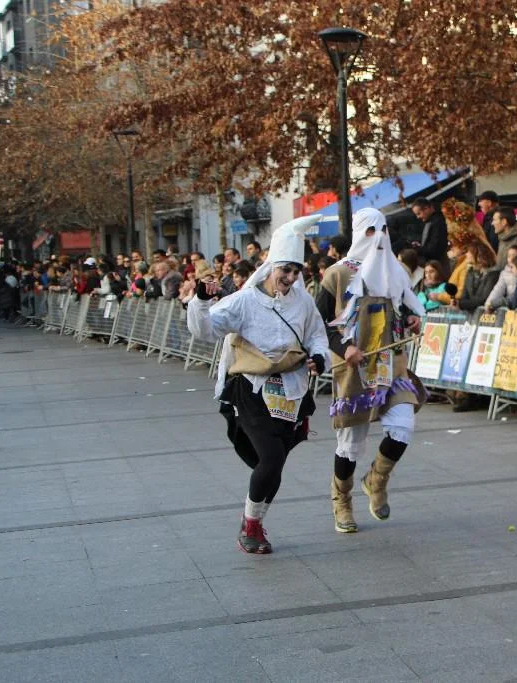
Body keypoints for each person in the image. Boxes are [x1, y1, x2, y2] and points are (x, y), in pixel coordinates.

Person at [187, 216, 329, 554]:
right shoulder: (245, 300)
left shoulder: (303, 301)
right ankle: (250, 527)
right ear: (271, 267)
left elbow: (317, 335)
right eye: (285, 270)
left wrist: (319, 357)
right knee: (271, 457)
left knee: (275, 463)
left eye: (296, 271)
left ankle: (254, 522)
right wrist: (201, 301)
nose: (290, 278)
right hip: (251, 388)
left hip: (291, 389)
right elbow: (204, 331)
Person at [317, 207, 425, 534]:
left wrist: (411, 319)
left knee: (403, 426)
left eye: (383, 229)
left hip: (392, 366)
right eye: (369, 230)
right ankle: (341, 499)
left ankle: (376, 480)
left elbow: (403, 309)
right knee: (350, 444)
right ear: (358, 233)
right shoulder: (337, 274)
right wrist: (344, 348)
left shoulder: (396, 271)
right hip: (354, 369)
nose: (378, 237)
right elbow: (319, 323)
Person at [411, 198, 448, 266]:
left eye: (419, 213)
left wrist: (417, 249)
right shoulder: (430, 221)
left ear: (426, 208)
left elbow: (434, 249)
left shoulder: (438, 222)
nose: (418, 217)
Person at [485, 246, 517, 312]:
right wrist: (489, 303)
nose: (511, 258)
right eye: (509, 256)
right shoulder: (504, 273)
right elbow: (498, 289)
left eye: (514, 255)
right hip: (511, 306)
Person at [491, 207, 517, 275]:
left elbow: (503, 267)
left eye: (494, 220)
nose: (492, 223)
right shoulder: (502, 238)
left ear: (504, 222)